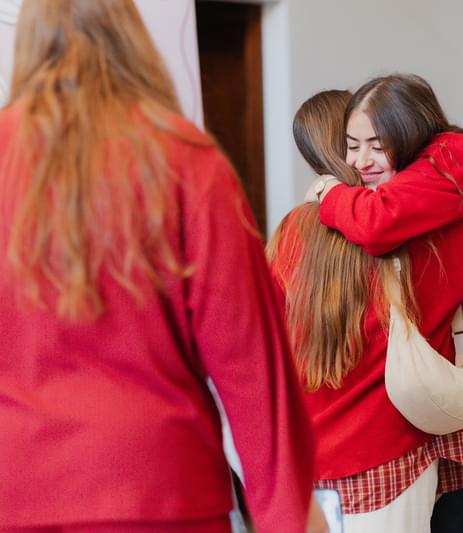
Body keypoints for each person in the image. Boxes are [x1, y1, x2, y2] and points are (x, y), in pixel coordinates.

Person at [0, 1, 320, 532]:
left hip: (18, 491)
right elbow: (252, 368)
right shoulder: (186, 162)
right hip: (163, 493)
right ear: (131, 35)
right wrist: (287, 515)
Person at [269, 88, 463, 533]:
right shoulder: (431, 242)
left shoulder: (289, 234)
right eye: (355, 144)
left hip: (310, 460)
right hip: (394, 455)